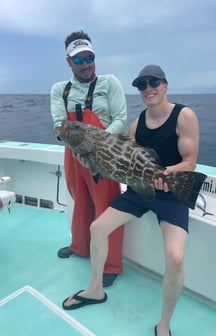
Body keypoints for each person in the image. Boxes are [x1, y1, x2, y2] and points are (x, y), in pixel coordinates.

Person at [62, 64, 199, 336]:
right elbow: (121, 160)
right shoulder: (137, 125)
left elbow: (190, 163)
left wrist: (168, 174)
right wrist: (92, 162)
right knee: (97, 228)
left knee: (175, 257)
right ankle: (95, 289)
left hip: (171, 196)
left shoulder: (184, 116)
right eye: (141, 85)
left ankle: (164, 325)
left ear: (165, 85)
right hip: (139, 191)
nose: (148, 88)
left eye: (153, 82)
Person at [50, 30, 127, 287]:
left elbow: (120, 119)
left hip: (104, 154)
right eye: (79, 60)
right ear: (68, 62)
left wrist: (99, 141)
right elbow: (60, 124)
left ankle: (111, 263)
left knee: (107, 207)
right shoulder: (59, 90)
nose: (86, 64)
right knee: (80, 201)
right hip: (74, 155)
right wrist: (78, 143)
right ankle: (80, 246)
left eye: (89, 58)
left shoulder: (110, 83)